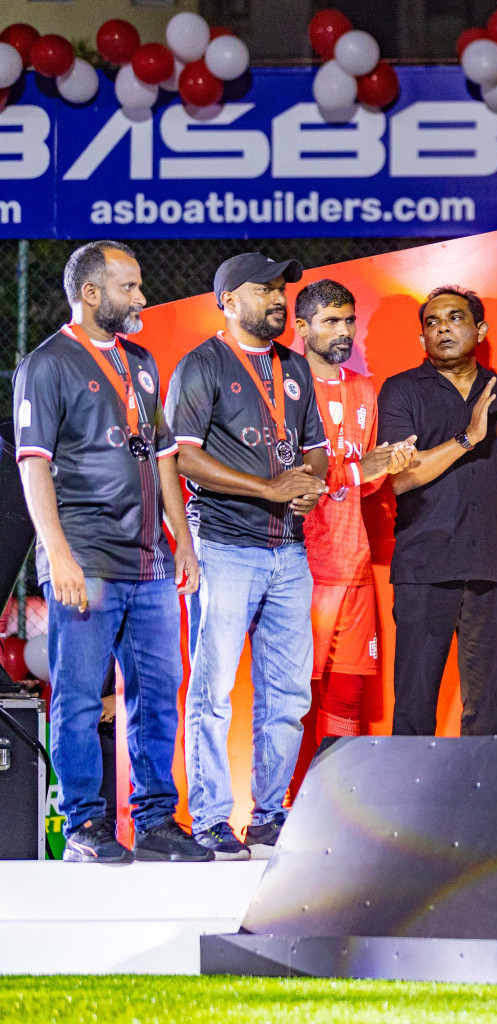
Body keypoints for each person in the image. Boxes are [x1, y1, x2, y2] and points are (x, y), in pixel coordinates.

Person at [12, 241, 208, 863]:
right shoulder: (47, 364)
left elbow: (163, 457)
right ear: (91, 293)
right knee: (77, 695)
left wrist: (181, 541)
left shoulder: (141, 361)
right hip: (86, 560)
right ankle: (84, 824)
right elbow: (33, 466)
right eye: (130, 287)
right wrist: (58, 554)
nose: (141, 297)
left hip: (149, 560)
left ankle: (155, 819)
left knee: (158, 691)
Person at [167, 252, 328, 860]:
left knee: (288, 694)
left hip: (289, 550)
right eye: (265, 289)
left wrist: (308, 483)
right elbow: (183, 457)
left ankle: (269, 814)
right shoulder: (201, 365)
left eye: (282, 288)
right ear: (229, 301)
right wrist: (269, 489)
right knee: (212, 691)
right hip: (224, 545)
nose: (280, 299)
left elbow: (315, 448)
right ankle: (210, 818)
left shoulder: (294, 365)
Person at [377, 286, 497, 738]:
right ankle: (409, 788)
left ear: (480, 330)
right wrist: (468, 438)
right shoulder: (401, 389)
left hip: (492, 567)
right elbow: (400, 479)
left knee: (489, 714)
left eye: (455, 318)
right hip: (423, 565)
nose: (443, 328)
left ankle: (482, 788)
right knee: (413, 708)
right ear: (421, 339)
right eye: (432, 322)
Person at [288, 280, 414, 792]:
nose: (343, 331)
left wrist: (388, 464)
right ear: (302, 327)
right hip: (300, 568)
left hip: (354, 563)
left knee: (347, 697)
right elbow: (293, 478)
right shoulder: (283, 385)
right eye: (330, 322)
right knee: (295, 698)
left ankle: (337, 807)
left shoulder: (365, 389)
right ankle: (285, 807)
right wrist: (363, 469)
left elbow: (366, 480)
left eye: (348, 321)